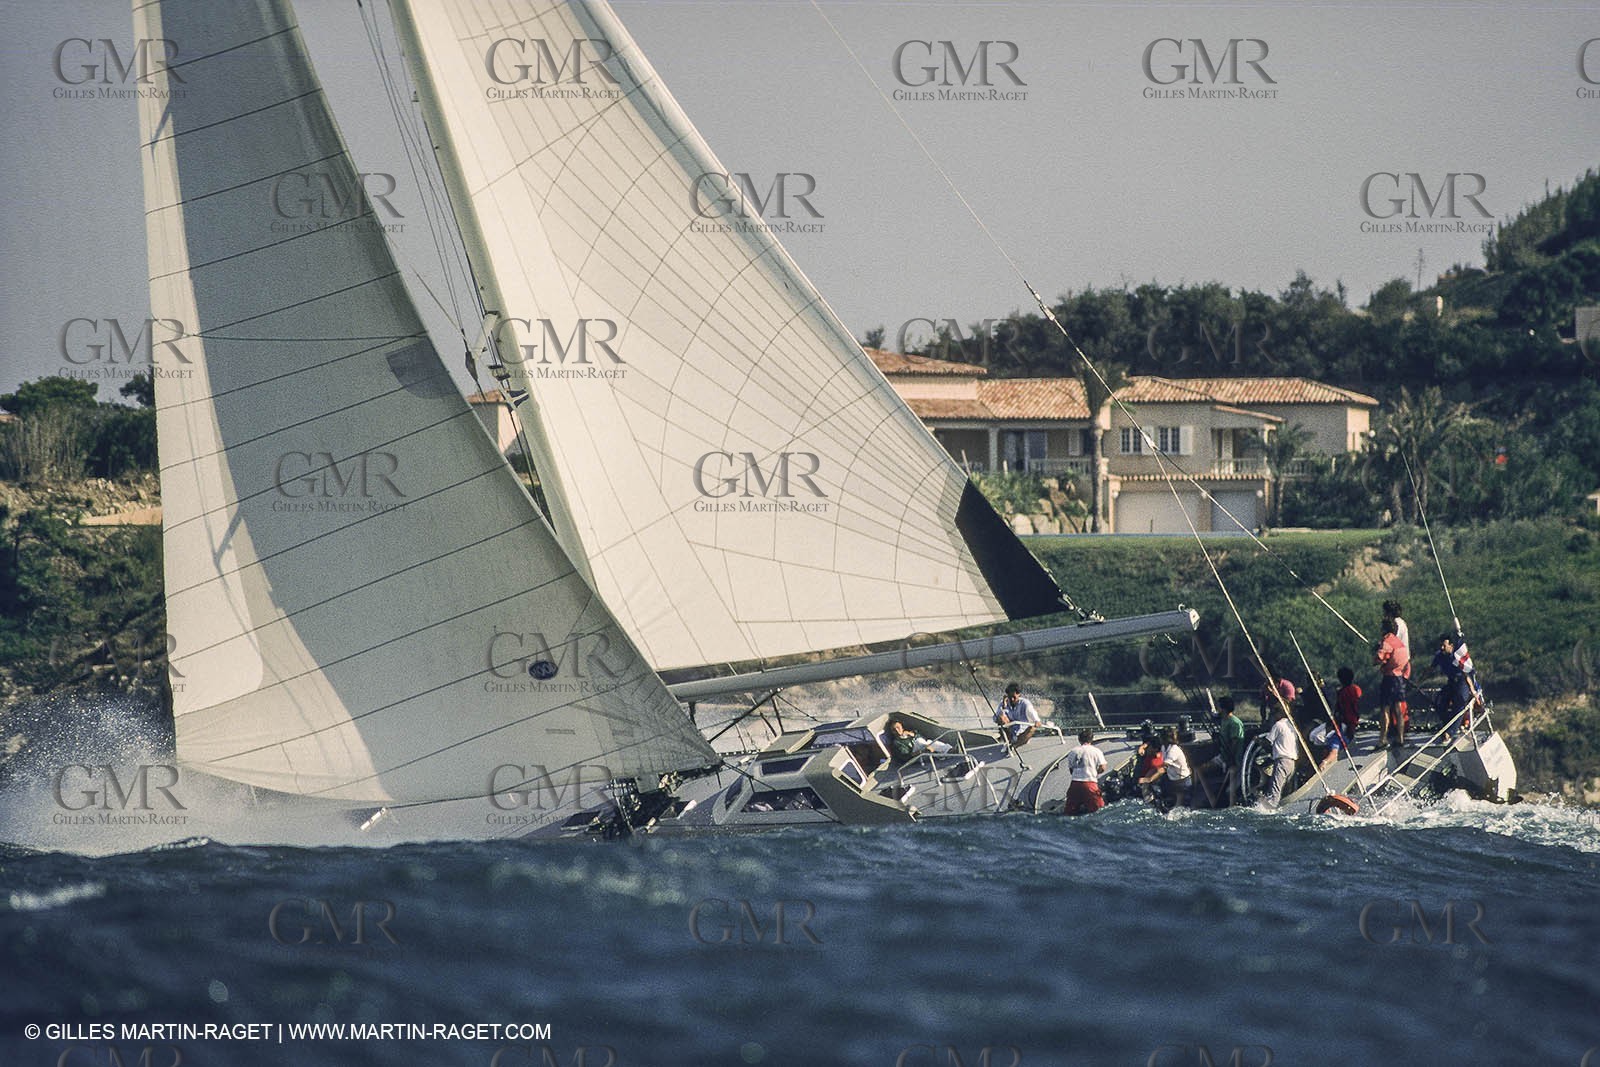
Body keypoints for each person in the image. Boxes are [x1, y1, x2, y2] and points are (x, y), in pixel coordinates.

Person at [1430, 632, 1477, 739]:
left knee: (1459, 702)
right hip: (1452, 681)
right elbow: (1430, 669)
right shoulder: (1439, 656)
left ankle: (1450, 732)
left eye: (1444, 646)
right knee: (1439, 702)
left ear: (1451, 645)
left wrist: (1472, 690)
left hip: (1462, 681)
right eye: (1441, 645)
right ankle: (1447, 724)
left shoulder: (1456, 657)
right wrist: (1419, 682)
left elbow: (1466, 674)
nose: (1442, 648)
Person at [1374, 617, 1411, 748]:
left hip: (1389, 679)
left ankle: (1382, 739)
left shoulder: (1386, 642)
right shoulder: (1400, 643)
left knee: (1385, 709)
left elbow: (1378, 659)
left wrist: (1376, 652)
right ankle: (1400, 738)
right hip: (1399, 679)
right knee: (1398, 709)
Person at [1139, 726, 1192, 811]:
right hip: (1172, 780)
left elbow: (1163, 768)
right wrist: (1142, 747)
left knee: (1184, 809)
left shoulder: (1173, 750)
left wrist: (1149, 779)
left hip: (1182, 783)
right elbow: (1152, 742)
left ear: (1165, 738)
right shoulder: (1164, 747)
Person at [1207, 697, 1246, 807]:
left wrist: (1229, 760)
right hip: (1223, 756)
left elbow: (1234, 743)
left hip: (1233, 760)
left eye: (1218, 706)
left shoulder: (1235, 723)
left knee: (1230, 791)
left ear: (1223, 709)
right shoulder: (1224, 720)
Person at [1062, 729, 1109, 816]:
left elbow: (1071, 770)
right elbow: (1103, 767)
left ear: (1079, 739)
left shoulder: (1073, 751)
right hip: (1090, 784)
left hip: (1075, 784)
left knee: (1070, 812)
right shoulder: (1096, 751)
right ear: (1092, 739)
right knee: (1100, 812)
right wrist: (1096, 772)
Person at [1259, 707, 1298, 808]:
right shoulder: (1292, 726)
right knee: (1286, 792)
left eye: (1273, 713)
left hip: (1282, 761)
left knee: (1275, 792)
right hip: (1292, 763)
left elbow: (1268, 743)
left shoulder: (1278, 725)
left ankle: (1269, 809)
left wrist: (1257, 741)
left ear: (1279, 713)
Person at [883, 716, 951, 768]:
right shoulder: (897, 743)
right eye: (894, 730)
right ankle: (948, 750)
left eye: (898, 727)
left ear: (902, 726)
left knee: (927, 742)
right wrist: (921, 752)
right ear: (892, 732)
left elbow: (923, 737)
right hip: (916, 756)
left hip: (925, 748)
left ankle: (949, 750)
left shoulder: (910, 733)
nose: (897, 731)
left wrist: (912, 734)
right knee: (921, 742)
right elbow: (906, 756)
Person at [993, 683, 1040, 748]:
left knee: (1033, 728)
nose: (1012, 699)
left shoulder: (1025, 703)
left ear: (1019, 695)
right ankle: (1009, 742)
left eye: (1014, 697)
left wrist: (1036, 721)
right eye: (1010, 697)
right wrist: (1003, 708)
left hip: (1022, 734)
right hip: (1010, 734)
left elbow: (1033, 713)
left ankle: (1014, 745)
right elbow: (995, 719)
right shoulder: (1003, 703)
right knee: (1001, 718)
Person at [1334, 666, 1362, 741]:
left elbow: (1339, 707)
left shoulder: (1342, 692)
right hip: (1354, 718)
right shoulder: (1356, 689)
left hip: (1346, 720)